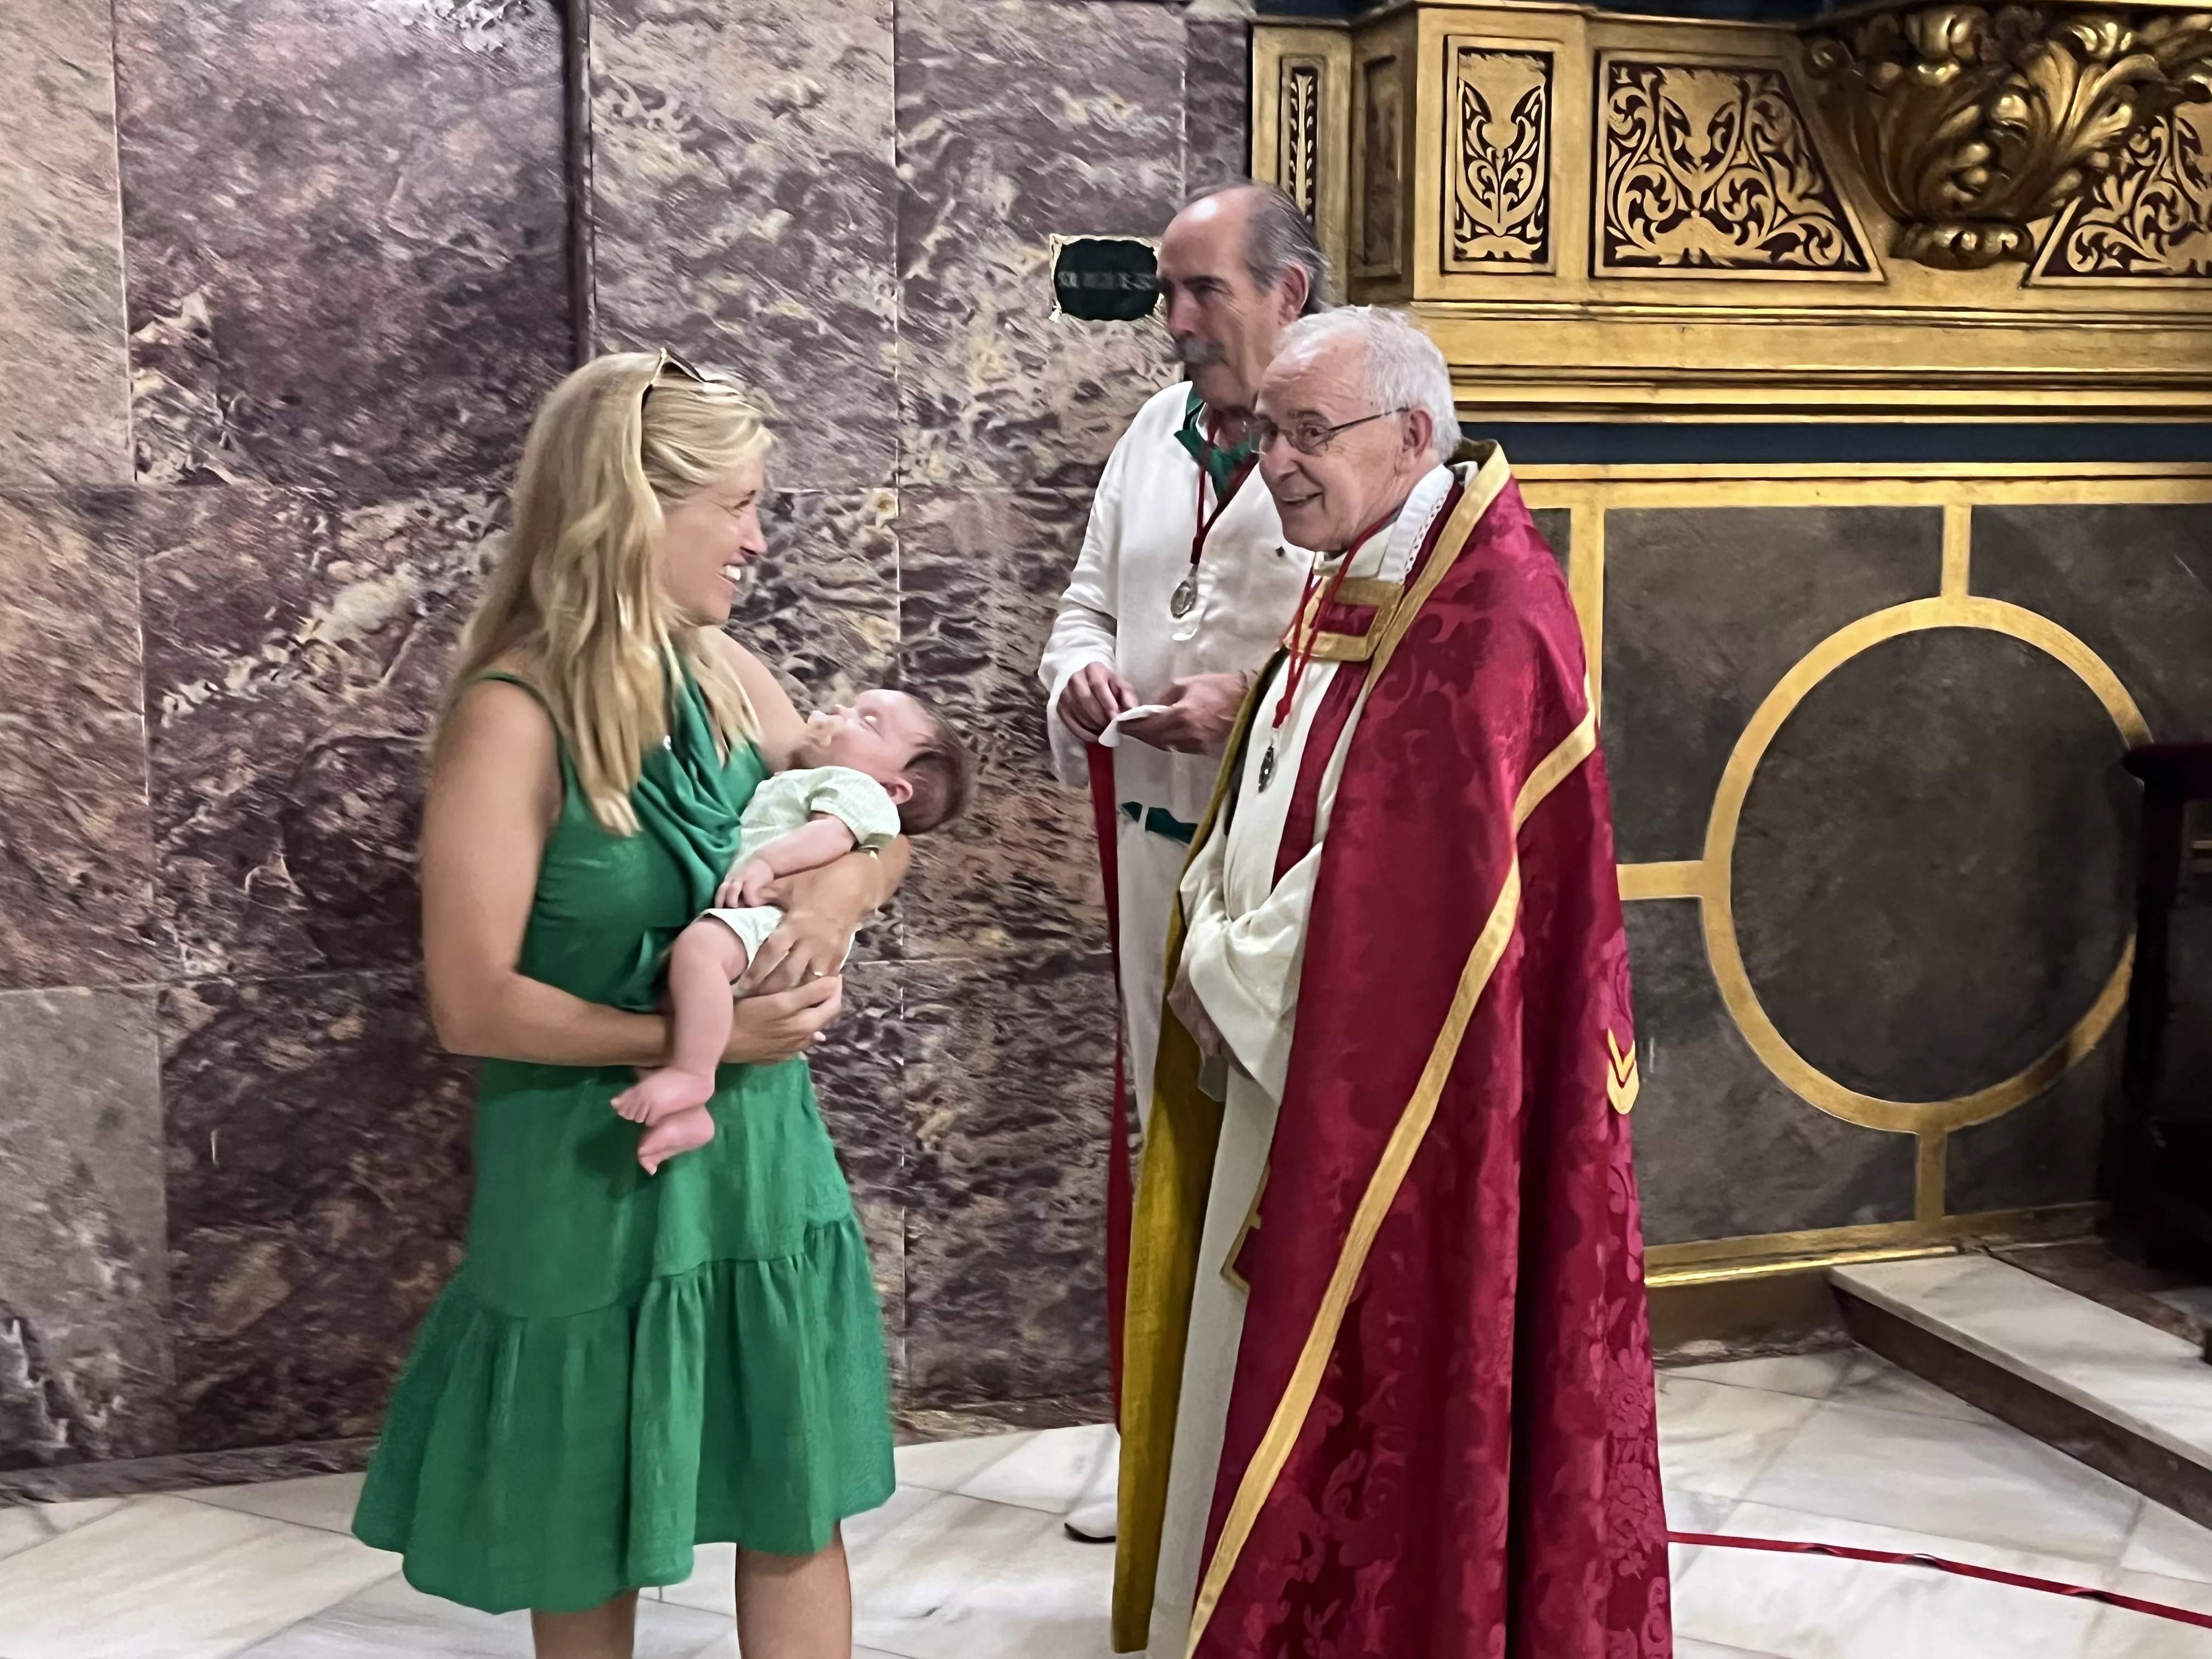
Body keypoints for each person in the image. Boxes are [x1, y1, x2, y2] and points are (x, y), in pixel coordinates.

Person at [1113, 308, 1670, 1657]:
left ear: (1412, 435)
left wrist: (1218, 961)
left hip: (1386, 1099)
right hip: (1270, 1055)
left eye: (1310, 435)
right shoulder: (1364, 562)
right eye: (1268, 434)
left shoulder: (1486, 617)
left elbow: (1422, 911)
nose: (1277, 467)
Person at [352, 350, 905, 1659]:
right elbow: (472, 1003)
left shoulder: (725, 670)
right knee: (582, 1523)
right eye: (740, 504)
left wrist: (828, 911)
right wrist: (687, 1039)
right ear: (637, 508)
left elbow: (872, 821)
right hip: (587, 1181)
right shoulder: (512, 715)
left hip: (763, 1175)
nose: (760, 540)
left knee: (795, 1500)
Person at [1039, 181, 1328, 1544]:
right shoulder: (1150, 437)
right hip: (1154, 845)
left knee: (1271, 1152)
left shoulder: (1351, 452)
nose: (1176, 321)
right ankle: (1155, 1451)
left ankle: (1262, 1457)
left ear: (1293, 294)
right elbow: (1083, 605)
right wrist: (1082, 673)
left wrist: (1251, 704)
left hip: (1289, 879)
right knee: (1160, 1143)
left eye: (1205, 289)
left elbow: (1384, 665)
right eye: (1167, 292)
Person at [615, 690, 973, 1173]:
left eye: (867, 722)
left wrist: (766, 863)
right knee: (677, 1001)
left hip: (775, 915)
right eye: (851, 705)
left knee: (698, 952)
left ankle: (693, 1075)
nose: (841, 712)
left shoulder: (854, 787)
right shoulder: (812, 777)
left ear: (894, 790)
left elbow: (830, 837)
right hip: (760, 918)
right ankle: (690, 1112)